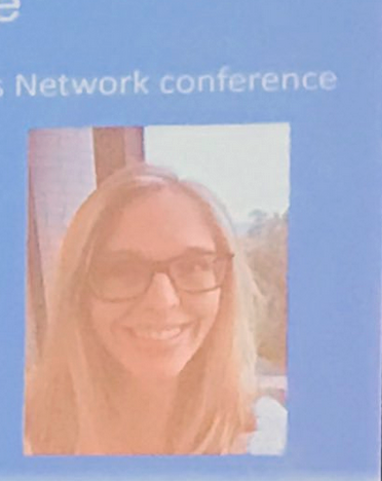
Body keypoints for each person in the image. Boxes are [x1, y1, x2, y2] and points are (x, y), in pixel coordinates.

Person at [24, 163, 286, 456]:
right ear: (79, 292)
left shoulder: (270, 443)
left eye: (194, 266)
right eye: (122, 270)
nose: (163, 301)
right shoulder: (16, 436)